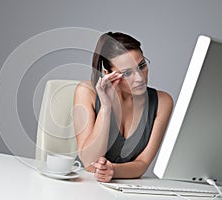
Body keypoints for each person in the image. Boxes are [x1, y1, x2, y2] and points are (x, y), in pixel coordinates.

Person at [73, 32, 173, 183]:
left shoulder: (163, 102)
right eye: (127, 73)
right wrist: (106, 107)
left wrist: (112, 170)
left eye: (142, 66)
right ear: (108, 74)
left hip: (125, 187)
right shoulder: (86, 92)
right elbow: (90, 163)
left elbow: (143, 163)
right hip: (83, 183)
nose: (140, 78)